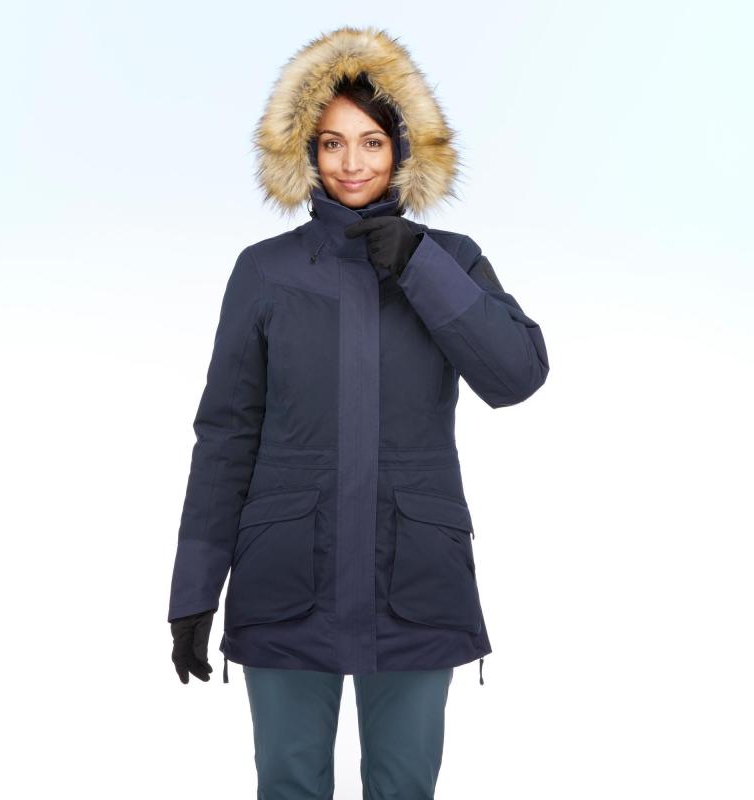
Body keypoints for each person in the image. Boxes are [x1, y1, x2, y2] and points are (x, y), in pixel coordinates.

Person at [167, 25, 550, 799]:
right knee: (289, 783)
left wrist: (419, 265)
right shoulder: (265, 272)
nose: (351, 164)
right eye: (332, 143)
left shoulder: (453, 259)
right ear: (305, 151)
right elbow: (226, 436)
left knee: (404, 786)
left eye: (372, 143)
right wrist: (195, 588)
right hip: (285, 579)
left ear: (403, 149)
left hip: (415, 579)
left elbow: (516, 375)